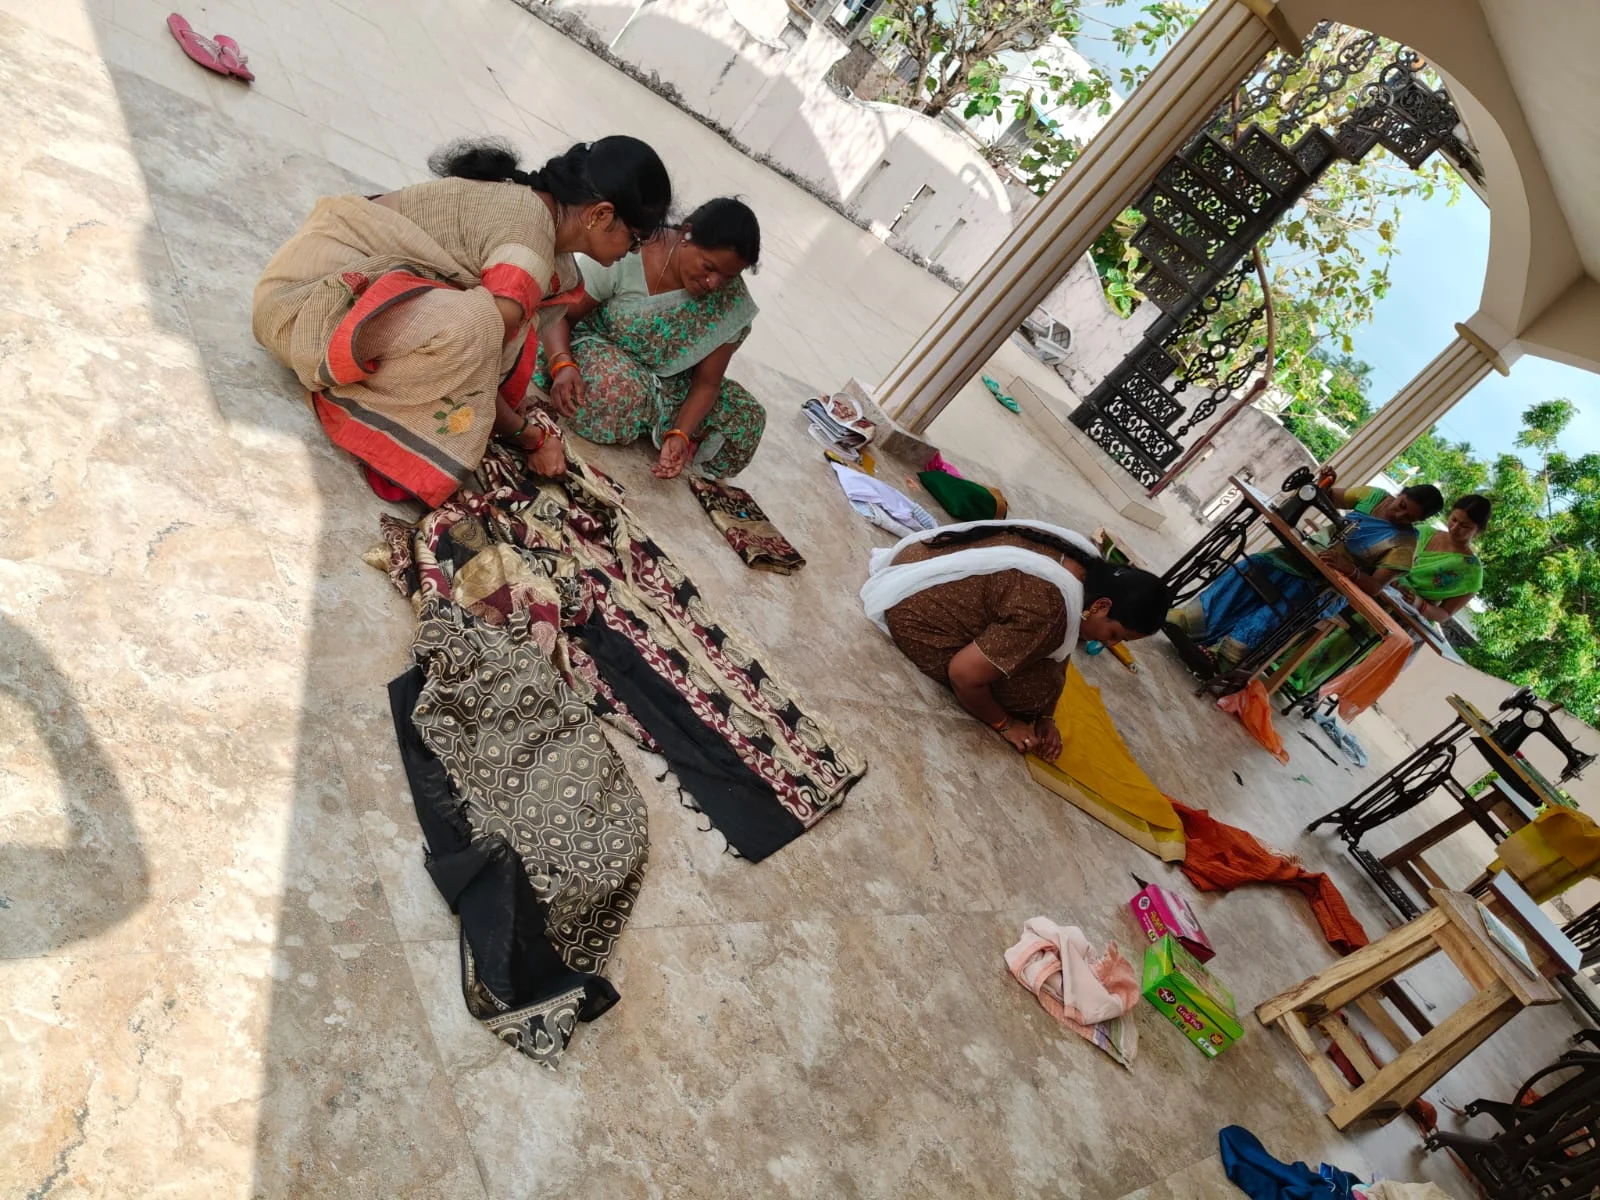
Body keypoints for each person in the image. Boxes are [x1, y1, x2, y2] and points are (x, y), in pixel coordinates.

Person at [252, 136, 673, 505]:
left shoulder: (545, 234)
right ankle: (388, 428)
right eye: (634, 238)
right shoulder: (529, 238)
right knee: (476, 325)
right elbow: (480, 350)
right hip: (303, 308)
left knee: (505, 315)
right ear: (599, 215)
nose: (633, 252)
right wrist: (530, 436)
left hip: (339, 295)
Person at [861, 521, 1172, 758]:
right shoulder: (1052, 610)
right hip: (913, 614)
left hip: (912, 561)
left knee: (1045, 672)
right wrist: (1007, 724)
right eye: (1115, 635)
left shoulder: (1086, 559)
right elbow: (963, 675)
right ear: (1101, 606)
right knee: (1029, 692)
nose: (1111, 646)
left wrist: (1047, 715)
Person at [539, 197, 765, 480]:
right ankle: (646, 419)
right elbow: (559, 314)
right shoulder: (630, 249)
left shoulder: (731, 302)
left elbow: (707, 382)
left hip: (672, 384)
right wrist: (562, 364)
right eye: (709, 267)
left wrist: (680, 433)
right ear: (687, 235)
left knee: (748, 419)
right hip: (600, 347)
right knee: (610, 390)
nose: (714, 284)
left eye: (727, 277)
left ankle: (657, 426)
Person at [1167, 482, 1445, 672]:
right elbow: (1324, 495)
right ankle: (1191, 622)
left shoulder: (1405, 543)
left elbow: (1374, 587)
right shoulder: (1372, 495)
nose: (1399, 513)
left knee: (1285, 605)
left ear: (1418, 522)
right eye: (1402, 503)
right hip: (1301, 555)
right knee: (1251, 568)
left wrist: (1349, 569)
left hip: (1329, 587)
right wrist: (1324, 482)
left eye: (1408, 516)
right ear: (1401, 492)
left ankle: (1223, 656)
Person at [1285, 493, 1491, 696]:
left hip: (1397, 614)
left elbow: (1445, 614)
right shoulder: (1424, 532)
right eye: (1454, 519)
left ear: (1479, 531)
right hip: (1370, 586)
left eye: (1465, 527)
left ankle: (1299, 681)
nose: (1455, 528)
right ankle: (1281, 659)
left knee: (1342, 644)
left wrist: (1419, 603)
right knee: (1322, 618)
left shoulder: (1471, 572)